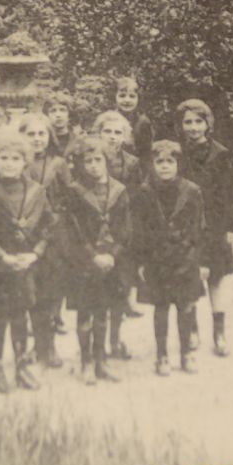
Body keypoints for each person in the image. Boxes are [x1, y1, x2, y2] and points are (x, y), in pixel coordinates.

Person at [0, 134, 50, 393]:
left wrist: (34, 254)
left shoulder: (37, 191)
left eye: (16, 159)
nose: (9, 164)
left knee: (20, 315)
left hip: (25, 263)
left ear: (25, 162)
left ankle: (22, 367)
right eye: (4, 158)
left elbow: (48, 227)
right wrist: (3, 257)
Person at [58, 136, 129, 385]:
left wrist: (112, 254)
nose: (93, 165)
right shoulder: (74, 192)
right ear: (80, 164)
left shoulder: (119, 190)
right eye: (87, 161)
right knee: (85, 313)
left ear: (107, 161)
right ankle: (86, 362)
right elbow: (71, 232)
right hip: (84, 263)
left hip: (111, 262)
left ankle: (102, 361)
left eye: (98, 160)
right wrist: (92, 256)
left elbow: (125, 229)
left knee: (103, 312)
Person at [133, 140, 207, 375]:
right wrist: (142, 262)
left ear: (178, 164)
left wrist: (201, 261)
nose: (165, 167)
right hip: (156, 260)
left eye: (170, 162)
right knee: (161, 307)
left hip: (186, 258)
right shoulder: (144, 192)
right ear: (152, 165)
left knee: (186, 307)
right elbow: (139, 230)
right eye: (159, 162)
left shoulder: (192, 190)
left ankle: (186, 353)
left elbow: (199, 227)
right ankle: (162, 355)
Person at [176, 98, 233, 358]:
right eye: (188, 122)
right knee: (188, 275)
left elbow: (229, 192)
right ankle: (192, 330)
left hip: (215, 223)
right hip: (187, 224)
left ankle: (219, 332)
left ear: (207, 123)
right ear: (181, 125)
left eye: (198, 121)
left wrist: (230, 225)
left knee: (216, 277)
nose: (193, 127)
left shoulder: (220, 153)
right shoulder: (177, 152)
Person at [17, 111, 68, 367]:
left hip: (53, 235)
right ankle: (29, 348)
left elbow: (69, 200)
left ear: (50, 136)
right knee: (28, 293)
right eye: (31, 134)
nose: (37, 139)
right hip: (24, 236)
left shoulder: (59, 163)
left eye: (41, 133)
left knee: (50, 293)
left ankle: (47, 347)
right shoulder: (16, 162)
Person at [95, 109, 145, 345]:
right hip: (94, 231)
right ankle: (96, 341)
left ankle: (115, 339)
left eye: (118, 132)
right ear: (98, 133)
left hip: (122, 230)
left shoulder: (132, 164)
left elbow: (136, 200)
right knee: (96, 287)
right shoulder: (89, 160)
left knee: (120, 285)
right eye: (107, 131)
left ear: (125, 136)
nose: (113, 136)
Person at [114, 76, 156, 163]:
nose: (127, 100)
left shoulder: (142, 122)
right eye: (122, 96)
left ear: (138, 98)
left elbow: (146, 153)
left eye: (132, 96)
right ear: (115, 97)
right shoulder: (110, 119)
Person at [42, 91, 77, 159]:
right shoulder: (43, 140)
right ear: (47, 115)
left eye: (62, 110)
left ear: (69, 115)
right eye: (53, 111)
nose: (58, 115)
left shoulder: (77, 140)